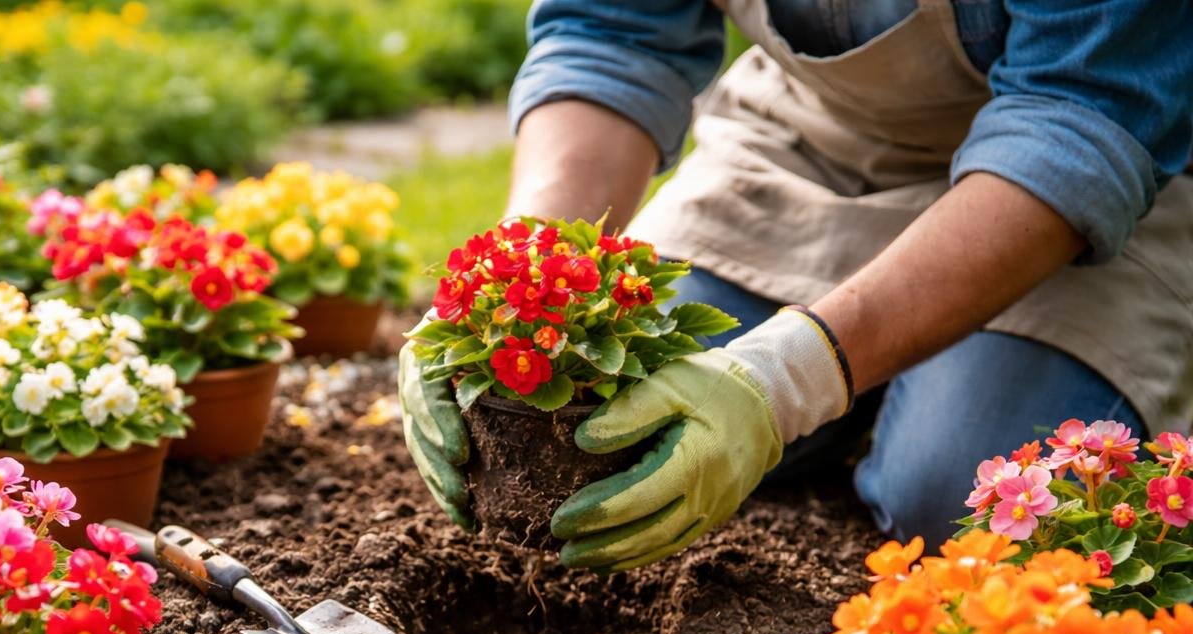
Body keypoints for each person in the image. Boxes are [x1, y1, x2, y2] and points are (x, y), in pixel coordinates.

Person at [399, 0, 1193, 572]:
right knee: (602, 417)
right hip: (818, 145)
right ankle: (879, 383)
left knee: (965, 496)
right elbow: (609, 34)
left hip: (1077, 191)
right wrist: (507, 284)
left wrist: (789, 380)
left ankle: (885, 394)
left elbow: (1081, 119)